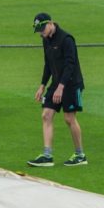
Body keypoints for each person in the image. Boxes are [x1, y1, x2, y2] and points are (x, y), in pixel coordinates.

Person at [27, 13, 86, 168]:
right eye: (39, 30)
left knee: (69, 118)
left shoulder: (66, 39)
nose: (41, 33)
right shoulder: (46, 40)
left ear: (51, 23)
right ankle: (47, 156)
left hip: (71, 84)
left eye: (43, 28)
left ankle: (80, 155)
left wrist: (61, 87)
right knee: (46, 115)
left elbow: (70, 65)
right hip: (56, 82)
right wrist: (42, 85)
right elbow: (48, 64)